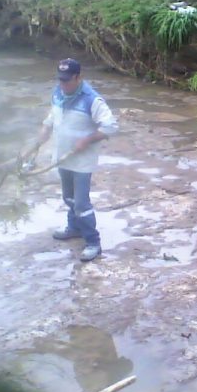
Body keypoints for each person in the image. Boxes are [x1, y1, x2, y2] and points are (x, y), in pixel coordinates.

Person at [31, 58, 118, 261]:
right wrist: (43, 133)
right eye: (61, 80)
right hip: (63, 157)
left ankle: (93, 242)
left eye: (67, 80)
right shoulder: (58, 92)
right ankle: (74, 228)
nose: (63, 84)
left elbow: (111, 127)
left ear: (79, 77)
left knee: (81, 203)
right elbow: (52, 118)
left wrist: (87, 140)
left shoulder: (92, 100)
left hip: (82, 161)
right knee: (68, 198)